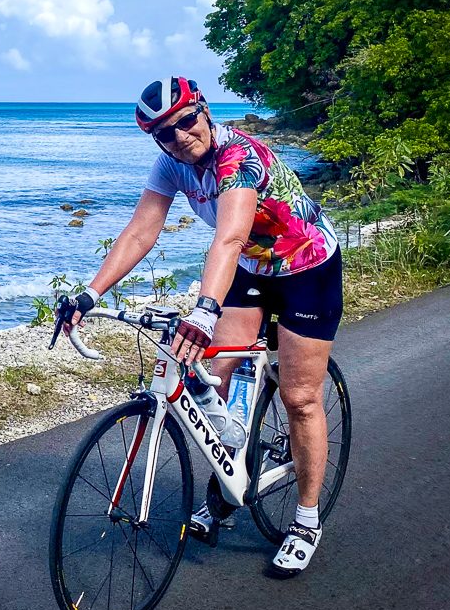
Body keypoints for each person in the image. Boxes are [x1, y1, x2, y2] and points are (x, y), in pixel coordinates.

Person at [65, 76, 342, 577]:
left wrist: (203, 308)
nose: (179, 137)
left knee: (300, 398)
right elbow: (141, 230)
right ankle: (230, 476)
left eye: (186, 121)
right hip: (250, 271)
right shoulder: (171, 164)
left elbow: (230, 237)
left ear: (204, 111)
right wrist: (91, 292)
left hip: (306, 267)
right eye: (164, 134)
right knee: (214, 374)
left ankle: (305, 519)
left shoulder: (239, 157)